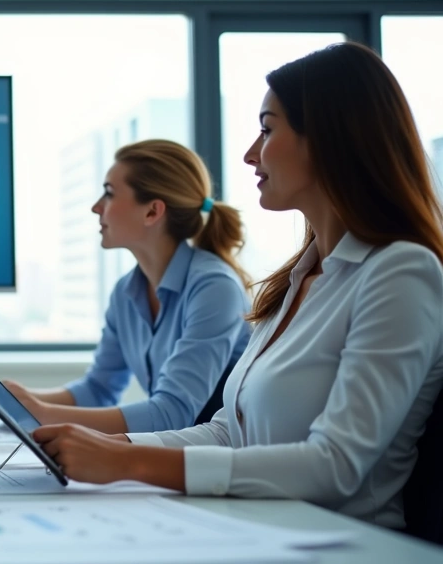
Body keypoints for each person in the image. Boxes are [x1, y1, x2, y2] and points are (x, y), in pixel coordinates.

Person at [33, 42, 443, 529]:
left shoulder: (402, 272)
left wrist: (128, 462)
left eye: (267, 129)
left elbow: (334, 465)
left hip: (348, 550)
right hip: (264, 534)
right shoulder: (297, 281)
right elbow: (230, 434)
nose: (251, 153)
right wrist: (113, 447)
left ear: (328, 139)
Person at [0, 139, 252, 434]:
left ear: (152, 212)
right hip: (174, 454)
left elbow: (171, 414)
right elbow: (98, 389)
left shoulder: (215, 288)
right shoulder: (126, 292)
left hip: (219, 459)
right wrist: (7, 399)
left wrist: (40, 413)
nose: (96, 207)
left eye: (109, 193)